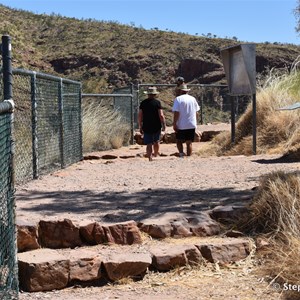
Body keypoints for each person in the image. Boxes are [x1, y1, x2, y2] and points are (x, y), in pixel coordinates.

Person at [138, 86, 166, 161]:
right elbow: (161, 115)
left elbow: (140, 115)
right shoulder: (157, 103)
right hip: (156, 125)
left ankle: (150, 156)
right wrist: (164, 124)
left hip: (146, 125)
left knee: (149, 142)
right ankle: (156, 154)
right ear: (155, 94)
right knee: (156, 140)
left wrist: (140, 126)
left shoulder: (143, 103)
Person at [172, 84, 200, 157]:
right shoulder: (193, 99)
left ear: (180, 91)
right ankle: (189, 156)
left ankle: (181, 154)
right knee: (189, 142)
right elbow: (197, 112)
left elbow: (176, 112)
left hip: (181, 124)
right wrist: (195, 122)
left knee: (179, 140)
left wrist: (174, 123)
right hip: (191, 124)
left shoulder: (178, 99)